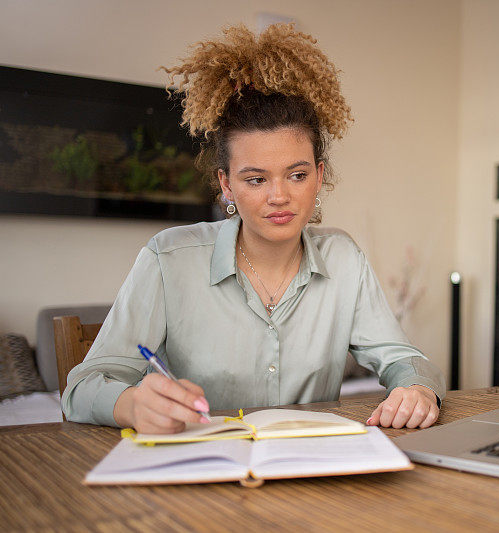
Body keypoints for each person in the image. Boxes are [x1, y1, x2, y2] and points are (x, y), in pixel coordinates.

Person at [62, 23, 445, 434]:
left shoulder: (343, 257)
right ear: (227, 184)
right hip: (205, 473)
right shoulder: (168, 258)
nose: (279, 197)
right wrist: (132, 404)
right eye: (256, 179)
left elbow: (405, 360)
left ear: (318, 176)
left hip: (313, 472)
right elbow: (81, 389)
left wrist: (417, 390)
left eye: (296, 176)